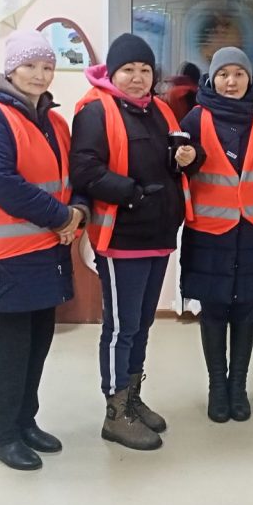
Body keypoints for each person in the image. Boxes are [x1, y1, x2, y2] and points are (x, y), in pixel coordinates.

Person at [0, 30, 86, 471]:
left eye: (47, 66)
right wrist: (62, 217)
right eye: (30, 65)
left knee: (36, 345)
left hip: (47, 251)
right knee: (8, 351)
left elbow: (73, 178)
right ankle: (3, 436)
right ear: (11, 69)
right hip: (8, 257)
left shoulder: (53, 121)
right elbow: (2, 182)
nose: (39, 74)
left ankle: (25, 422)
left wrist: (78, 213)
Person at [70, 33, 205, 451]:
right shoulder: (95, 111)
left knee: (142, 324)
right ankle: (115, 412)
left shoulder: (160, 110)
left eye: (145, 69)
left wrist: (189, 158)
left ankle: (132, 397)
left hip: (158, 235)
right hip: (121, 236)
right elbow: (85, 171)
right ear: (112, 73)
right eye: (128, 69)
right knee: (121, 327)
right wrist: (133, 194)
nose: (137, 77)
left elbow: (176, 159)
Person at [178, 47, 253, 423]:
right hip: (209, 231)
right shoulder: (194, 118)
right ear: (212, 78)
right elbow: (178, 170)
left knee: (245, 310)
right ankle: (216, 387)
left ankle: (238, 386)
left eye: (238, 74)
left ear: (249, 78)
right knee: (213, 309)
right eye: (223, 74)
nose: (231, 81)